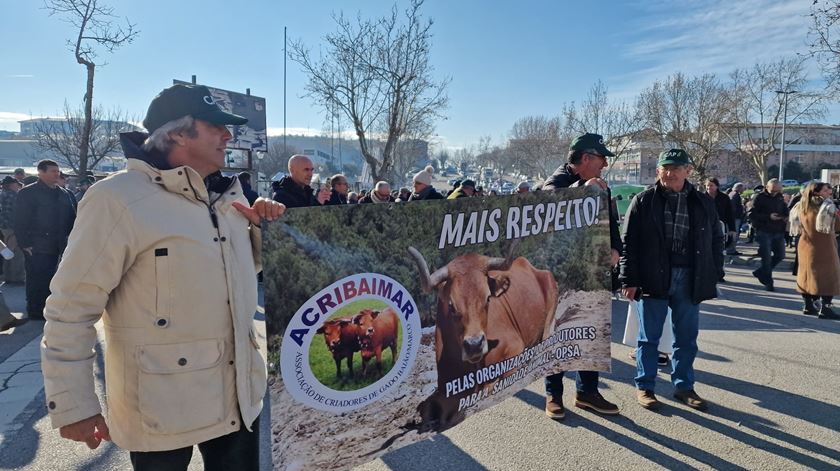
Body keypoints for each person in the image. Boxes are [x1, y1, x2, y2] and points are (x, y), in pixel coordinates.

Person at [40, 83, 285, 470]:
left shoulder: (228, 198)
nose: (228, 135)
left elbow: (240, 274)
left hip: (238, 398)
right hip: (160, 408)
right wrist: (73, 405)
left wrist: (260, 230)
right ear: (177, 133)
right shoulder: (117, 198)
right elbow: (71, 307)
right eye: (216, 126)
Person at [620, 149, 722, 411]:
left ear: (688, 170)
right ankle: (645, 387)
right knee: (648, 338)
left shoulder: (702, 201)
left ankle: (684, 386)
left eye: (676, 168)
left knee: (686, 338)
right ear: (658, 171)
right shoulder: (643, 201)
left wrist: (715, 271)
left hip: (690, 276)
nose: (670, 172)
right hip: (654, 276)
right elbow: (628, 243)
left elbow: (715, 240)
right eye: (665, 167)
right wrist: (628, 279)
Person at [541, 133, 622, 419]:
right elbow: (550, 201)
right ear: (586, 158)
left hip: (592, 270)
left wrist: (615, 248)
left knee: (592, 331)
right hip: (562, 272)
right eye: (601, 159)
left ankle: (588, 392)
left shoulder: (601, 187)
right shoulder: (558, 180)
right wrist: (580, 187)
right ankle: (554, 395)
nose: (604, 165)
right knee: (559, 332)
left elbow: (610, 221)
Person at [14, 159, 77, 320]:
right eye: (52, 171)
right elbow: (20, 220)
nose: (57, 174)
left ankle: (51, 308)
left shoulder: (66, 194)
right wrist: (25, 243)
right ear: (40, 173)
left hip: (60, 244)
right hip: (37, 245)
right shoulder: (28, 193)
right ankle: (36, 310)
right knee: (37, 279)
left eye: (58, 171)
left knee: (55, 279)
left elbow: (73, 218)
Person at [794, 182, 840, 319]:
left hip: (805, 244)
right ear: (816, 192)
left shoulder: (801, 206)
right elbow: (837, 225)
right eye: (826, 190)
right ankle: (826, 308)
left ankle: (808, 306)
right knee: (829, 276)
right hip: (824, 246)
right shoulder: (827, 207)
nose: (829, 193)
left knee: (807, 276)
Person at [749, 179, 789, 291]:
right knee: (766, 257)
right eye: (772, 190)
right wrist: (768, 216)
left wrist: (785, 216)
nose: (775, 193)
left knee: (780, 255)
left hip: (778, 230)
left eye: (777, 190)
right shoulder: (759, 198)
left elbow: (785, 210)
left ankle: (761, 272)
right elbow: (752, 214)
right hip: (764, 230)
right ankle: (768, 282)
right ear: (767, 187)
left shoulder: (780, 197)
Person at [705, 177, 735, 282]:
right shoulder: (701, 197)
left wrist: (732, 229)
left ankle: (719, 274)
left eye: (711, 185)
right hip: (704, 228)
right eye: (707, 185)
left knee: (719, 252)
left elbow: (729, 213)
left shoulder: (724, 198)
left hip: (720, 228)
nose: (709, 188)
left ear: (717, 186)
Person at [0, 176, 25, 283]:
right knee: (17, 253)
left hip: (4, 227)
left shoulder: (2, 194)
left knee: (7, 252)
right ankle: (17, 277)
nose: (17, 186)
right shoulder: (14, 196)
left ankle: (7, 276)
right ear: (11, 185)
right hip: (14, 227)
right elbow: (19, 213)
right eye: (16, 184)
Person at [727, 182, 746, 255]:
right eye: (742, 188)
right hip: (735, 218)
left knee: (733, 234)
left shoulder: (732, 194)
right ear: (739, 188)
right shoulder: (735, 195)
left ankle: (731, 249)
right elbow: (733, 208)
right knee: (734, 234)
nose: (743, 190)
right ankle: (731, 250)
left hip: (734, 217)